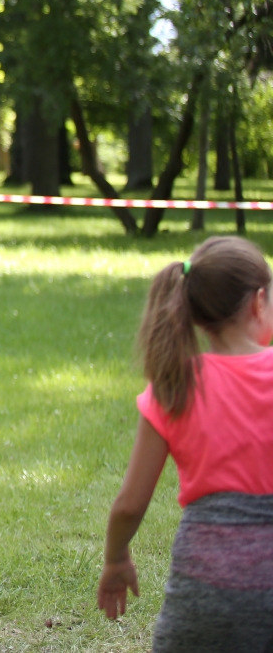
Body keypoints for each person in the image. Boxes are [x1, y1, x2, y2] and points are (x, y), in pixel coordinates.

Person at [97, 235, 273, 651]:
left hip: (204, 586)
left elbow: (128, 505)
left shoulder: (175, 386)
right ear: (258, 302)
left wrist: (116, 558)